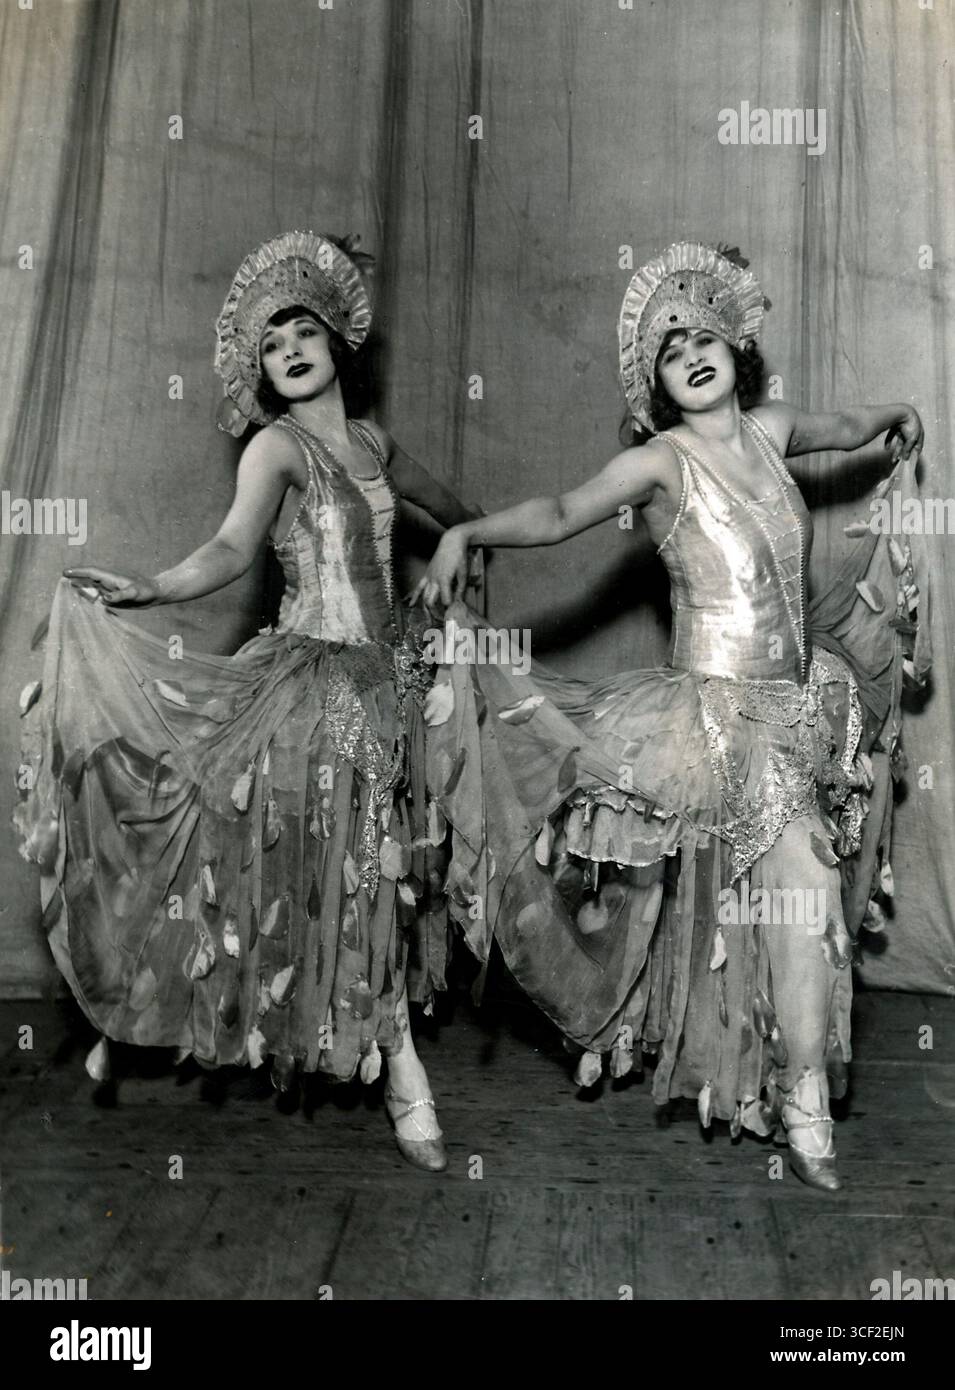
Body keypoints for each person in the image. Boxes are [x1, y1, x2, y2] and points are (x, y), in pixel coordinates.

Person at [415, 241, 930, 1191]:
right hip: (707, 718)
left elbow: (845, 422)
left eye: (703, 335)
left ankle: (800, 1090)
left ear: (737, 346)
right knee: (792, 893)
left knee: (799, 908)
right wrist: (464, 531)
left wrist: (893, 415)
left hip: (796, 703)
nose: (690, 353)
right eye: (667, 347)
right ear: (653, 379)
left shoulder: (772, 430)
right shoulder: (658, 462)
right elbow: (560, 508)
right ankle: (801, 1100)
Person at [15, 230, 480, 1172]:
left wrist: (457, 550)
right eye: (271, 345)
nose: (290, 352)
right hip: (310, 684)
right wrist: (151, 588)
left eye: (303, 331)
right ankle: (396, 1072)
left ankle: (158, 1013)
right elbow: (232, 549)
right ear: (261, 370)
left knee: (367, 875)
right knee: (266, 858)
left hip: (388, 683)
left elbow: (457, 513)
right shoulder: (276, 446)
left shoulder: (373, 442)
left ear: (336, 341)